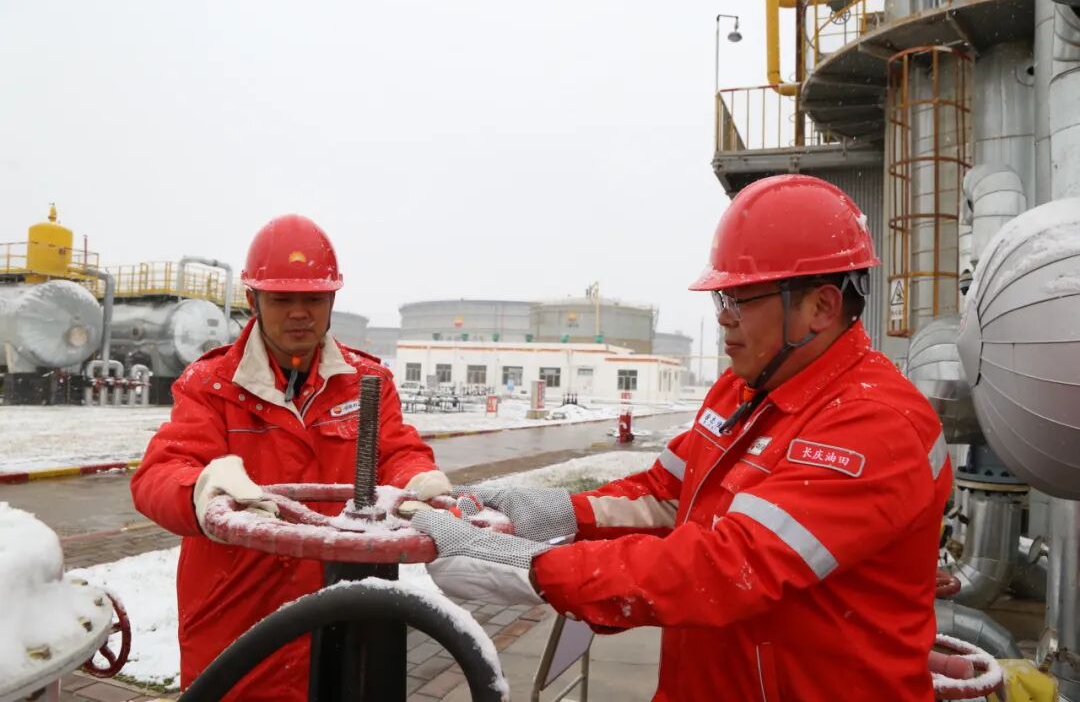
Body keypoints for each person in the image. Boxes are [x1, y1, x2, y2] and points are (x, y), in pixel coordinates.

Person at [414, 175, 954, 701]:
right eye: (720, 300)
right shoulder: (742, 388)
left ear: (821, 307)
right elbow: (668, 495)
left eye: (740, 299)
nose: (724, 321)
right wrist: (556, 512)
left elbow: (729, 568)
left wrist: (527, 566)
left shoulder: (876, 424)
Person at [130, 214, 451, 701]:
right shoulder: (211, 385)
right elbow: (159, 473)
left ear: (332, 301)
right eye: (282, 299)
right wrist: (201, 489)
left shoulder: (367, 382)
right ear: (252, 300)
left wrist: (418, 477)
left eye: (314, 299)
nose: (300, 313)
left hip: (345, 616)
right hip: (239, 621)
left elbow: (396, 452)